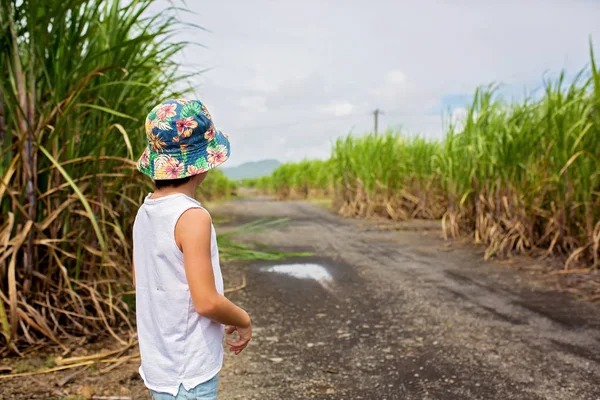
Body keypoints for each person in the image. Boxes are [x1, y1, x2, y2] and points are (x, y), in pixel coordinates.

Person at [132, 99, 251, 400]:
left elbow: (141, 281)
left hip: (160, 366)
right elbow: (207, 303)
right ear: (203, 165)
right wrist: (242, 319)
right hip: (189, 373)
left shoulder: (145, 212)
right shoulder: (193, 217)